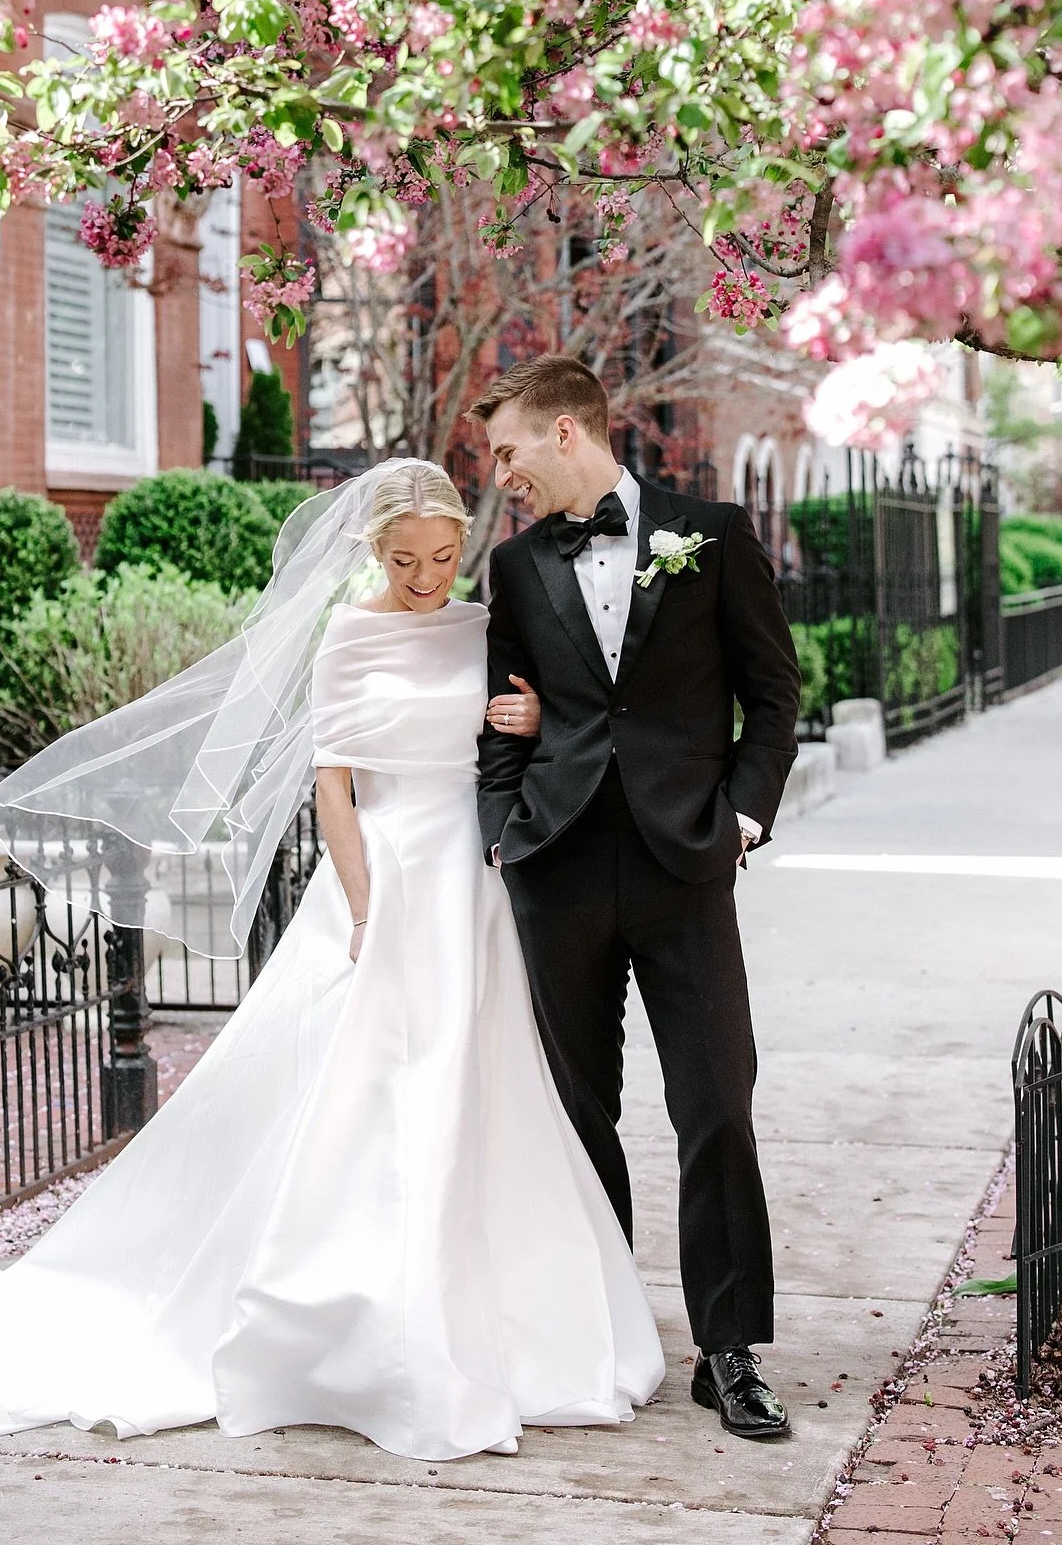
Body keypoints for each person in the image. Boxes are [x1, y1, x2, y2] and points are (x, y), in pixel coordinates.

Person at [0, 461, 664, 1462]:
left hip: (470, 881)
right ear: (372, 552)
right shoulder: (348, 634)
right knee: (371, 1086)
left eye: (443, 557)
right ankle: (346, 1322)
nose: (429, 575)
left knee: (482, 1082)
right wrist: (361, 901)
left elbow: (532, 730)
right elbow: (334, 783)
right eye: (406, 559)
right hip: (386, 869)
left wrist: (524, 719)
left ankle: (500, 1318)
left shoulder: (477, 626)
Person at [469, 357, 802, 1442]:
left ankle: (729, 1348)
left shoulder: (710, 533)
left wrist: (743, 817)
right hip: (557, 866)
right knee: (579, 1115)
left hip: (685, 865)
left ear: (569, 432)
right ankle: (599, 1329)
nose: (502, 470)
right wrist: (501, 837)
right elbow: (499, 718)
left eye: (511, 447)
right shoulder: (516, 566)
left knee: (715, 1104)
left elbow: (773, 695)